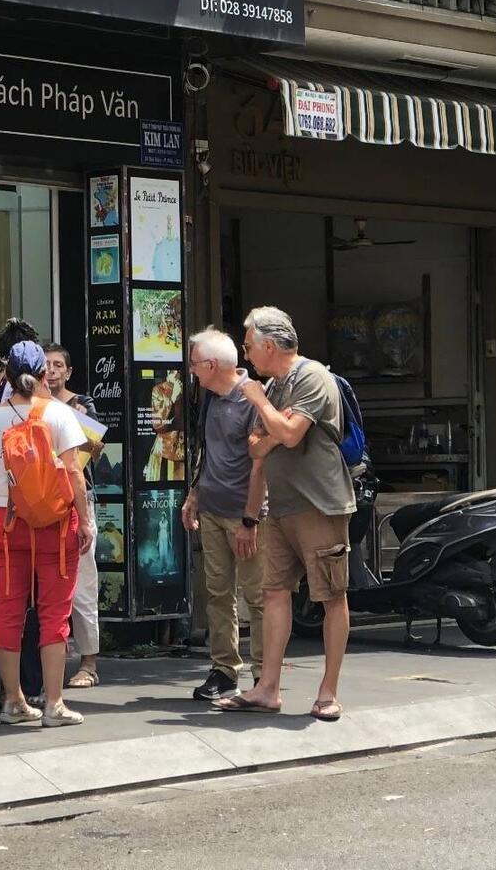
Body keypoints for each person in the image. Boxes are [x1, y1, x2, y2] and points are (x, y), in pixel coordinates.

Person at [219, 307, 354, 722]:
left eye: (248, 346)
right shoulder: (276, 386)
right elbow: (257, 446)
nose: (246, 356)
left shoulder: (311, 378)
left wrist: (264, 407)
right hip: (280, 506)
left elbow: (290, 436)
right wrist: (276, 426)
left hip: (320, 504)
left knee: (331, 596)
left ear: (269, 345)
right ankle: (268, 688)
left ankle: (328, 692)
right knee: (274, 592)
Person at [0, 340, 94, 728]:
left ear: (8, 374)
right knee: (54, 613)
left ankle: (13, 700)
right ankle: (54, 703)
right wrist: (86, 522)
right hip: (54, 525)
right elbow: (74, 473)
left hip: (7, 521)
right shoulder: (59, 414)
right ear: (44, 373)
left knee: (9, 610)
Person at [182, 327, 265, 702]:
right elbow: (206, 450)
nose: (191, 370)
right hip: (213, 507)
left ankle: (264, 673)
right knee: (218, 593)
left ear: (212, 364)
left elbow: (261, 465)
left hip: (244, 512)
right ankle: (224, 669)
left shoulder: (252, 398)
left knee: (258, 596)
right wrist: (194, 494)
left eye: (194, 363)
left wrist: (251, 519)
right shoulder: (210, 398)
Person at [0, 317, 44, 703]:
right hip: (40, 509)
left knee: (9, 598)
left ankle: (10, 687)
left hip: (1, 506)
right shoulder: (45, 405)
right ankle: (33, 684)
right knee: (38, 599)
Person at [45, 341, 101, 689]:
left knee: (83, 582)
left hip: (78, 499)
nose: (51, 371)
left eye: (57, 365)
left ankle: (89, 662)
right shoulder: (33, 404)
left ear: (68, 372)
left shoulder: (81, 404)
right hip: (43, 500)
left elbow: (95, 450)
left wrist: (78, 422)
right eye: (46, 364)